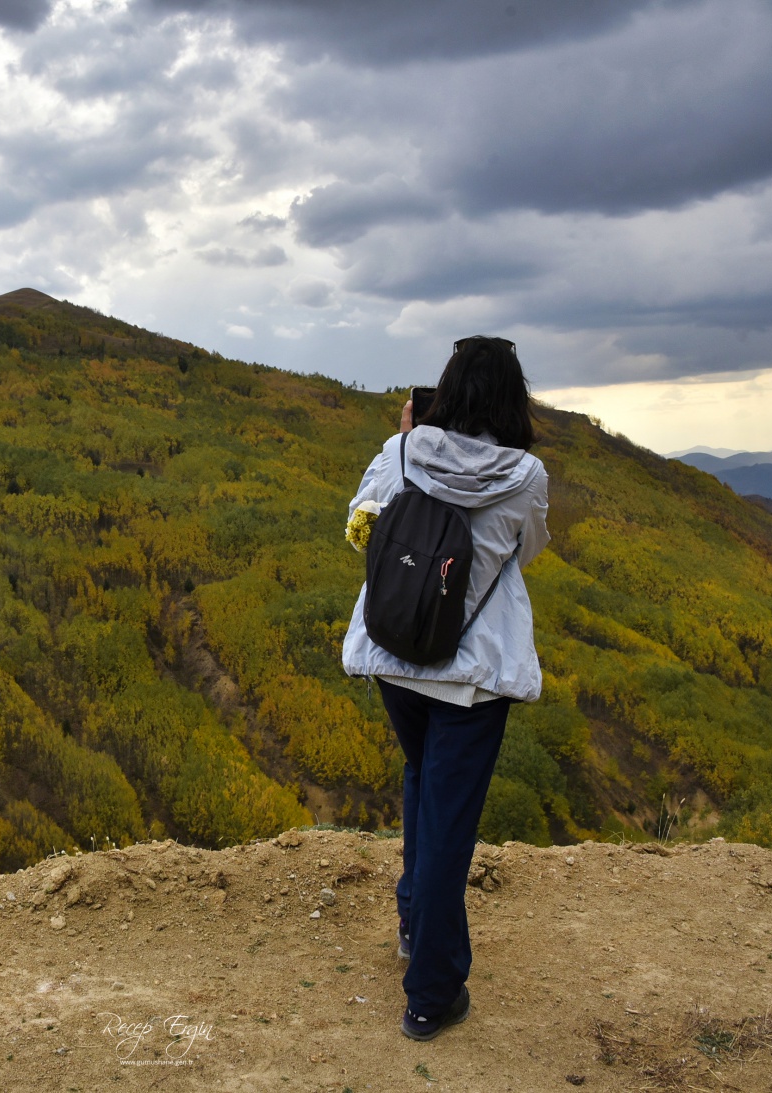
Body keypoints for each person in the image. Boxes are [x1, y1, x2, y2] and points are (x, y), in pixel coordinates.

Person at [340, 335, 550, 1042]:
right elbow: (532, 547)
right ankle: (431, 993)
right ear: (511, 398)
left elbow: (361, 518)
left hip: (396, 657)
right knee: (449, 828)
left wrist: (407, 440)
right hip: (471, 677)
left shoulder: (401, 451)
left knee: (420, 775)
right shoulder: (525, 474)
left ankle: (411, 922)